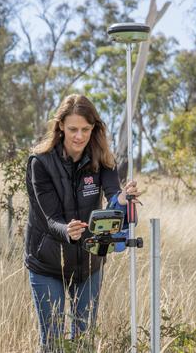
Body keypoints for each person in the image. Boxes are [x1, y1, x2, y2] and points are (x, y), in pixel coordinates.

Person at [25, 94, 140, 351]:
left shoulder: (102, 159)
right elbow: (50, 218)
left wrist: (122, 197)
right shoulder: (40, 163)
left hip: (90, 262)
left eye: (85, 129)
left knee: (83, 342)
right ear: (61, 127)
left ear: (94, 129)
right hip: (47, 263)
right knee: (54, 343)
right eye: (73, 129)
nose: (79, 136)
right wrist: (68, 230)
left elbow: (113, 195)